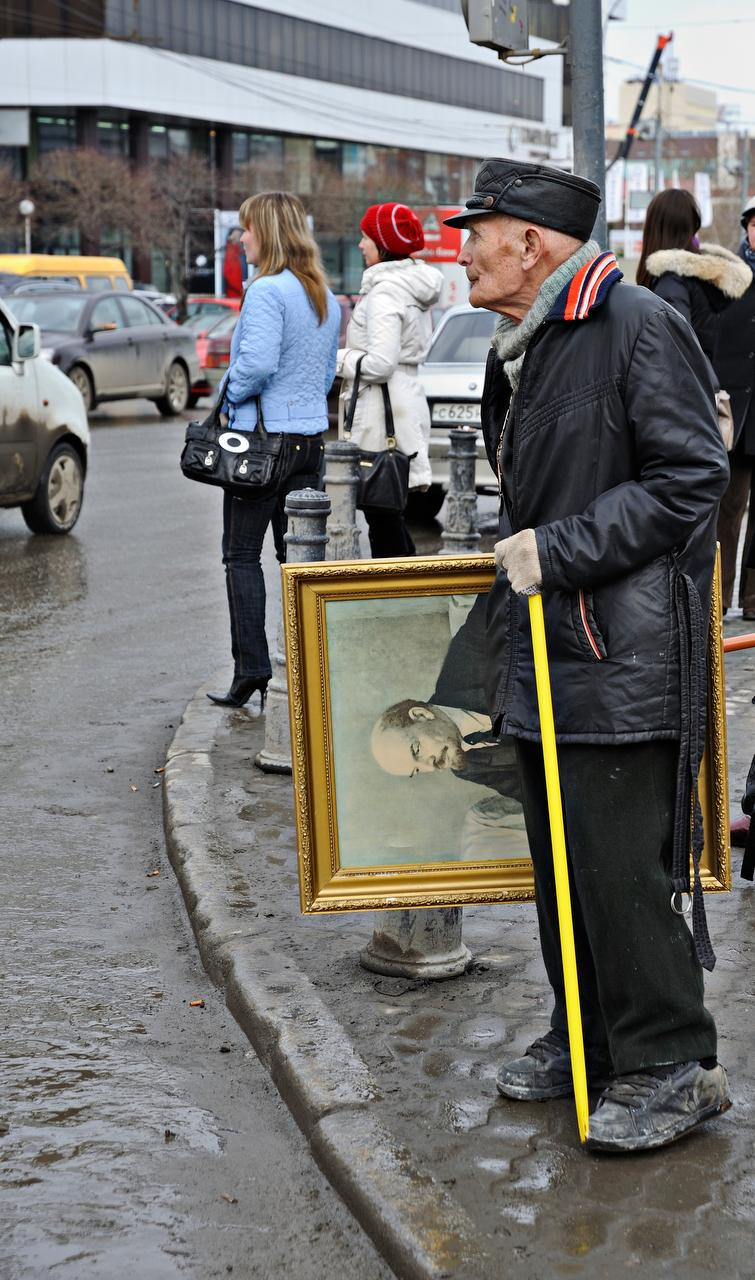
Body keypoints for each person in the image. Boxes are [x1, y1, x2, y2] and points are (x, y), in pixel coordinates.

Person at [445, 159, 731, 1153]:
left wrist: (556, 549)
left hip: (615, 658)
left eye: (476, 229)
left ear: (531, 242)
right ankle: (591, 1039)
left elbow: (691, 477)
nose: (464, 246)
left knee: (616, 870)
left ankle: (668, 1064)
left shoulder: (634, 323)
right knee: (564, 870)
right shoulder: (524, 340)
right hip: (548, 647)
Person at [207, 191, 340, 708]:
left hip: (261, 448)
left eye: (246, 230)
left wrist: (229, 393)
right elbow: (326, 373)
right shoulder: (323, 295)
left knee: (241, 556)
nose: (241, 239)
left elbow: (257, 365)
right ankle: (307, 670)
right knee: (297, 563)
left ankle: (252, 671)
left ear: (266, 231)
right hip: (309, 443)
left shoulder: (267, 292)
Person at [337, 202, 442, 557]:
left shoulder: (385, 292)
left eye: (365, 237)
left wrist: (338, 359)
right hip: (398, 405)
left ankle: (403, 601)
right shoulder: (406, 286)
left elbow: (381, 363)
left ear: (382, 244)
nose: (359, 244)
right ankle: (407, 598)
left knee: (383, 518)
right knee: (388, 517)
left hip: (383, 417)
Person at [636, 188, 749, 376]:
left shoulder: (671, 284)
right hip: (706, 391)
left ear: (654, 228)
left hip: (686, 398)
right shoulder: (696, 280)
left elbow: (675, 356)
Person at [715, 197, 755, 618]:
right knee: (728, 507)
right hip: (734, 412)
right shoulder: (730, 278)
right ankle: (719, 595)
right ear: (745, 228)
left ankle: (753, 598)